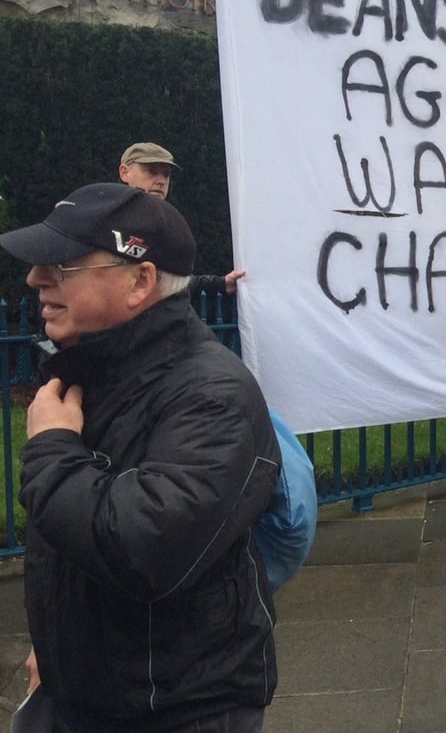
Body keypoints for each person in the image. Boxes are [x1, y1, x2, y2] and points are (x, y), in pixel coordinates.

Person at [2, 183, 280, 731]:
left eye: (63, 264)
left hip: (177, 708)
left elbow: (145, 548)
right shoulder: (89, 369)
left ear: (140, 281)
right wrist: (52, 650)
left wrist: (52, 452)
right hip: (77, 694)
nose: (37, 278)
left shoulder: (214, 395)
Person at [118, 142, 247, 296]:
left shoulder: (169, 223)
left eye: (166, 174)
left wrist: (220, 284)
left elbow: (173, 281)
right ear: (125, 172)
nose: (161, 181)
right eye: (151, 171)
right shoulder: (107, 220)